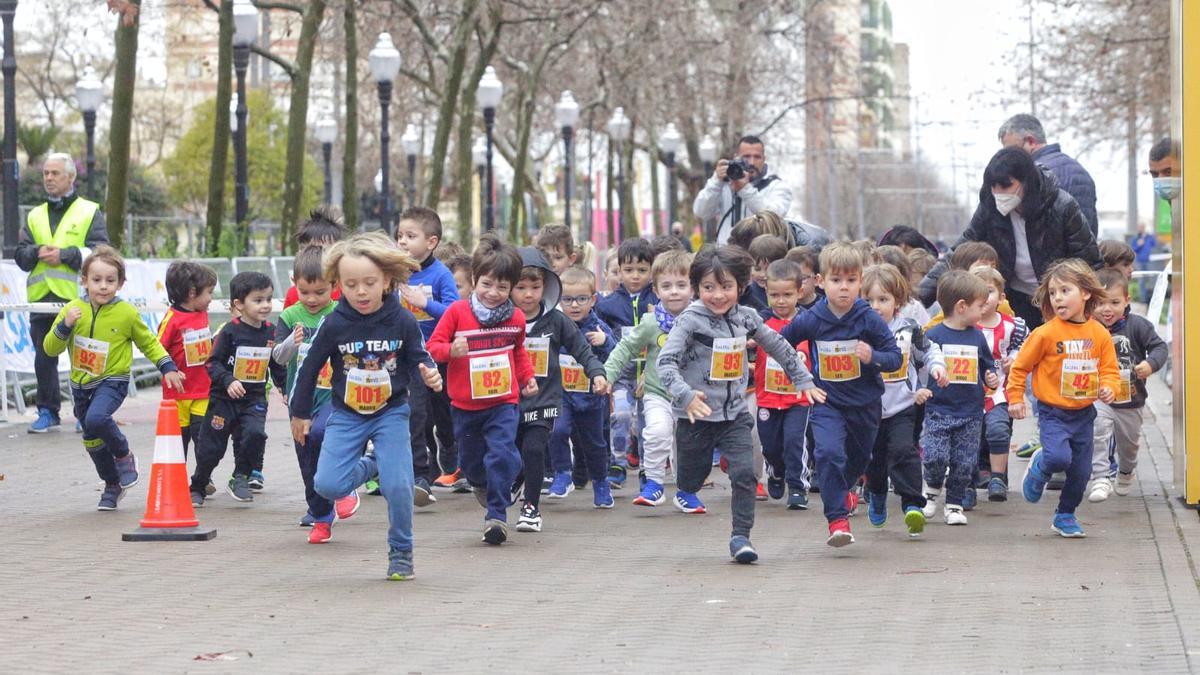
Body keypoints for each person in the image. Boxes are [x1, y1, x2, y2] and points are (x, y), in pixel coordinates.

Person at [290, 232, 444, 579]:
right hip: (347, 414)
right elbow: (310, 366)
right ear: (338, 285)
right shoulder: (335, 323)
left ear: (386, 280)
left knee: (398, 487)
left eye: (369, 283)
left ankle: (401, 552)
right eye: (351, 284)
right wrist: (300, 414)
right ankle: (374, 464)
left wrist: (430, 374)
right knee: (327, 485)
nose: (360, 291)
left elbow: (421, 356)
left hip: (390, 412)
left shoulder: (402, 319)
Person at [658, 245, 822, 564]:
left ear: (741, 287)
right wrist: (685, 395)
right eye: (708, 288)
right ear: (697, 288)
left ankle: (741, 537)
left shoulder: (747, 318)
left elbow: (779, 347)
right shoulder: (690, 321)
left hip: (733, 414)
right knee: (689, 480)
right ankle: (693, 476)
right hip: (697, 415)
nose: (718, 295)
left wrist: (803, 380)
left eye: (726, 287)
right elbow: (666, 363)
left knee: (745, 473)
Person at [43, 246, 184, 510]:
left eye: (110, 281)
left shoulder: (126, 313)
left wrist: (167, 367)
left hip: (113, 381)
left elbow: (149, 343)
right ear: (84, 280)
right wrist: (65, 326)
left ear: (120, 284)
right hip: (81, 385)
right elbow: (50, 348)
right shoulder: (72, 310)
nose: (103, 287)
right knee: (92, 438)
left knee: (98, 419)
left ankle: (124, 454)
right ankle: (112, 485)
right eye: (97, 280)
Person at [781, 242, 902, 547]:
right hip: (828, 402)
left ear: (860, 282)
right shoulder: (812, 318)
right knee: (828, 454)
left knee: (859, 460)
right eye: (836, 280)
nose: (844, 288)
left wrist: (872, 355)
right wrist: (801, 376)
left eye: (851, 281)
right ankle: (837, 520)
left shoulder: (868, 318)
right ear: (821, 282)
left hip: (865, 405)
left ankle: (845, 487)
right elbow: (782, 344)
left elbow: (895, 357)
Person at [426, 234, 538, 546]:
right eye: (487, 284)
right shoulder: (457, 314)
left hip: (503, 401)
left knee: (501, 454)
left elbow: (517, 351)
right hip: (464, 405)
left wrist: (527, 377)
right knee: (474, 465)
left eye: (503, 287)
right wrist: (452, 351)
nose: (493, 293)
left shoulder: (515, 317)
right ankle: (485, 481)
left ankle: (496, 517)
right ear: (475, 279)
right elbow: (433, 348)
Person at [918, 146, 1101, 330]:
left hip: (1057, 300)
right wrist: (918, 298)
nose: (999, 193)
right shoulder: (989, 209)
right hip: (1013, 300)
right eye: (994, 186)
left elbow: (1088, 260)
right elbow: (958, 252)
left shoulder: (1063, 206)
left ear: (1026, 182)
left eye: (1006, 186)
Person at [1008, 259, 1120, 538]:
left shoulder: (1099, 334)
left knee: (1081, 473)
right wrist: (1016, 398)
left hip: (1084, 413)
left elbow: (1109, 370)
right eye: (1053, 293)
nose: (1057, 297)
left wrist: (1109, 387)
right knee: (1058, 457)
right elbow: (1020, 367)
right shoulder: (1045, 333)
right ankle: (1040, 465)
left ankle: (1065, 515)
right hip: (1053, 411)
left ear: (1085, 293)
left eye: (1065, 290)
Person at [511, 248, 609, 531]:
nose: (528, 295)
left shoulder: (556, 320)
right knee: (511, 450)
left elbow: (582, 349)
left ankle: (531, 507)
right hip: (510, 400)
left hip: (544, 399)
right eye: (520, 287)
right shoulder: (502, 320)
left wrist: (597, 373)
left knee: (533, 448)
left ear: (546, 287)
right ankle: (516, 480)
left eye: (535, 287)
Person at [15, 153, 110, 433]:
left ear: (71, 177)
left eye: (55, 173)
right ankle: (47, 411)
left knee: (85, 355)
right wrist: (36, 252)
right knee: (44, 357)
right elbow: (20, 256)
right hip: (42, 299)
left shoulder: (89, 211)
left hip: (79, 298)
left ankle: (85, 412)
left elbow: (102, 250)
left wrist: (67, 255)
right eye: (46, 173)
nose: (49, 178)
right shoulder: (34, 215)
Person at [272, 247, 353, 542]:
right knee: (307, 458)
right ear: (294, 283)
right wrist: (292, 344)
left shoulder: (341, 312)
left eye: (319, 292)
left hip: (334, 396)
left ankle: (344, 486)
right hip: (301, 400)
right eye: (304, 291)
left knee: (322, 434)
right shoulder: (290, 315)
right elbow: (279, 358)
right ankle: (320, 516)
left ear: (334, 284)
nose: (312, 299)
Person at [861, 264, 946, 536]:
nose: (875, 306)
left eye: (882, 299)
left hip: (902, 405)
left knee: (903, 451)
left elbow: (929, 351)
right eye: (868, 300)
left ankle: (912, 505)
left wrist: (936, 368)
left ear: (897, 301)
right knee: (874, 461)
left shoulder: (908, 329)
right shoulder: (857, 330)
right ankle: (875, 493)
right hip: (869, 409)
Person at [603, 249, 692, 508]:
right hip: (658, 392)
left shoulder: (702, 319)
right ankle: (653, 483)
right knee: (656, 432)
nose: (674, 291)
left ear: (693, 287)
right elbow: (625, 348)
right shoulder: (652, 322)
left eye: (681, 285)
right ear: (656, 289)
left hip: (690, 397)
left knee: (686, 445)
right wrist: (607, 375)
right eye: (667, 286)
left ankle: (687, 490)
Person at [189, 272, 287, 506]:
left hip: (254, 399)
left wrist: (285, 387)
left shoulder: (271, 333)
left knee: (255, 435)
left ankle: (240, 476)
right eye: (258, 300)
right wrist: (228, 380)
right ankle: (199, 484)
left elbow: (275, 363)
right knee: (212, 447)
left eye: (268, 299)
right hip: (224, 400)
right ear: (239, 304)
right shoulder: (229, 332)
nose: (265, 305)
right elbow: (212, 362)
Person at [920, 271, 1000, 526]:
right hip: (939, 409)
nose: (983, 310)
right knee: (935, 457)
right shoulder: (934, 336)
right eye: (980, 306)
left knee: (964, 461)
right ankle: (931, 491)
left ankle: (954, 504)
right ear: (961, 307)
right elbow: (921, 367)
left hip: (970, 412)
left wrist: (991, 379)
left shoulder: (977, 336)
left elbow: (986, 366)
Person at [395, 207, 460, 502]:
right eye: (399, 236)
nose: (403, 242)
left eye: (410, 236)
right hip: (411, 359)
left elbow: (455, 313)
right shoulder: (395, 273)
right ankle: (421, 475)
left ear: (431, 242)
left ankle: (451, 452)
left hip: (442, 358)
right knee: (416, 415)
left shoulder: (441, 275)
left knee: (443, 416)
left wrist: (425, 303)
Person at [1087, 268, 1168, 503]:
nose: (1107, 309)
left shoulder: (1138, 326)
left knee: (1129, 445)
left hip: (1131, 399)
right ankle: (1100, 477)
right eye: (1101, 303)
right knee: (1098, 431)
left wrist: (1150, 364)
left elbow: (1159, 347)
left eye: (1114, 302)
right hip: (1100, 396)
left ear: (1126, 301)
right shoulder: (1088, 327)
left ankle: (1126, 471)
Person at [547, 266, 617, 501]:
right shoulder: (555, 325)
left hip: (591, 397)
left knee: (595, 445)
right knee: (558, 431)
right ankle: (562, 474)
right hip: (563, 395)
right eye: (567, 299)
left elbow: (617, 352)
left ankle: (600, 482)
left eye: (581, 299)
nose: (574, 305)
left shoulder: (598, 327)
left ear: (593, 300)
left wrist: (604, 340)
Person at [595, 238, 657, 488]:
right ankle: (618, 461)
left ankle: (646, 467)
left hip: (650, 376)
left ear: (651, 271)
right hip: (622, 375)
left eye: (642, 270)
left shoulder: (657, 300)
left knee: (647, 423)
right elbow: (599, 330)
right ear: (619, 270)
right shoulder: (607, 305)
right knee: (620, 414)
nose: (635, 276)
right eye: (629, 270)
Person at [755, 259, 815, 510]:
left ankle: (798, 486)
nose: (781, 301)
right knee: (769, 444)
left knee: (794, 441)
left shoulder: (807, 322)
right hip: (768, 396)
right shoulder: (759, 323)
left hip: (798, 398)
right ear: (766, 292)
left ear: (799, 292)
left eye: (787, 295)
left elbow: (807, 346)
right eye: (774, 295)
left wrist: (800, 355)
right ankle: (775, 471)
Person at [972, 265, 1028, 502]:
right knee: (971, 437)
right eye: (977, 292)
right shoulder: (964, 325)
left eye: (989, 291)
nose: (983, 298)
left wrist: (1013, 359)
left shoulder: (1012, 326)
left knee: (998, 431)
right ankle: (967, 481)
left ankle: (998, 477)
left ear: (1002, 297)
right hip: (969, 393)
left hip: (999, 393)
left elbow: (1024, 348)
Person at [157, 261, 218, 467]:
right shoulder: (172, 319)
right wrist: (168, 370)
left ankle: (201, 479)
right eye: (209, 292)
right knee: (179, 441)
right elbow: (156, 348)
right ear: (192, 292)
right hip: (178, 392)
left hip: (203, 389)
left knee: (203, 437)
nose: (211, 298)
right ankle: (177, 481)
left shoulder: (203, 313)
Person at [998, 113, 1098, 236]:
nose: (1008, 157)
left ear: (1030, 141)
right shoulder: (1081, 171)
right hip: (1080, 253)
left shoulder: (1032, 175)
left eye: (1012, 150)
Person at [692, 135, 794, 245]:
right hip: (725, 256)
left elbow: (774, 217)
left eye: (757, 157)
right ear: (736, 157)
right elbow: (701, 212)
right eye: (746, 156)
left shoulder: (776, 186)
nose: (751, 163)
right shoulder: (724, 183)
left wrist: (745, 190)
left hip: (759, 257)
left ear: (764, 159)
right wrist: (716, 182)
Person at [283, 208, 344, 309]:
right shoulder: (294, 294)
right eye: (312, 250)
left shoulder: (345, 290)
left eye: (325, 251)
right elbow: (286, 322)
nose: (318, 256)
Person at [1130, 222, 1157, 303]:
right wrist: (1139, 244)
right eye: (1140, 227)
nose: (1141, 228)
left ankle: (1152, 299)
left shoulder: (1149, 237)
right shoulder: (1135, 238)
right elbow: (1133, 249)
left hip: (1149, 261)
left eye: (1142, 227)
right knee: (1142, 281)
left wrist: (1153, 236)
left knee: (1151, 280)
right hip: (1140, 262)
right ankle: (1143, 299)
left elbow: (1154, 244)